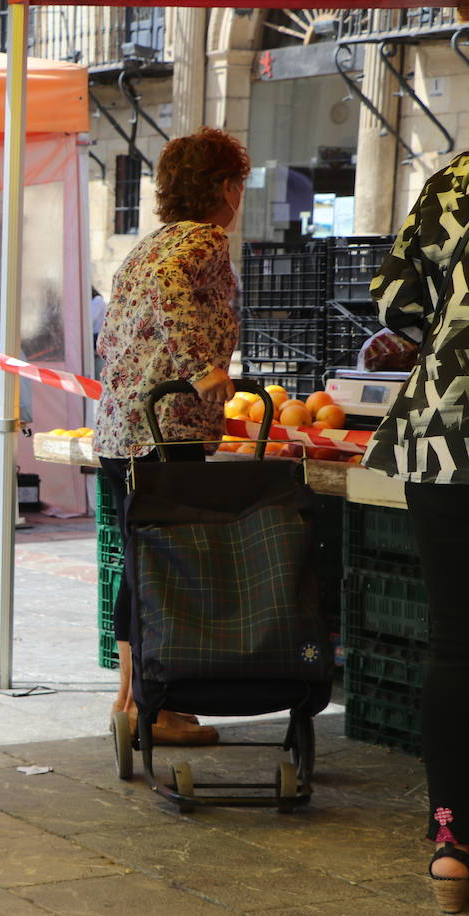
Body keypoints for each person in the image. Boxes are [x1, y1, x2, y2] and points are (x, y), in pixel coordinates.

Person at [93, 127, 250, 747]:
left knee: (141, 567)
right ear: (223, 187)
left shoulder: (151, 243)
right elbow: (170, 299)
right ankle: (158, 711)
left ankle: (133, 701)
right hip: (163, 431)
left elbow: (117, 327)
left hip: (124, 429)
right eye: (236, 182)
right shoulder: (206, 238)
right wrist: (204, 368)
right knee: (163, 570)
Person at [363, 150, 469, 914]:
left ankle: (453, 842)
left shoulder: (454, 179)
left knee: (457, 641)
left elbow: (395, 300)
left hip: (445, 429)